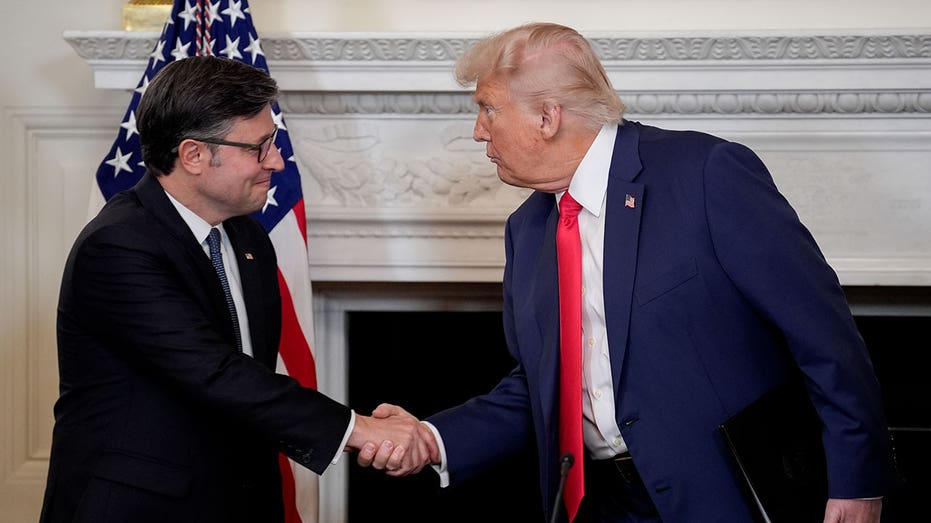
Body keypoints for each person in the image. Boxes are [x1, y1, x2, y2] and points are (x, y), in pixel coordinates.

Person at [361, 22, 896, 523]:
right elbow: (540, 388)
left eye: (488, 109)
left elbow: (824, 338)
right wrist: (431, 438)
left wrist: (858, 482)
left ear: (547, 117)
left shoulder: (706, 174)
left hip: (733, 499)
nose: (479, 132)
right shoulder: (527, 230)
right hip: (602, 504)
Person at [39, 56, 436, 523]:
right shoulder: (118, 245)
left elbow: (249, 380)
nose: (277, 161)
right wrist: (359, 430)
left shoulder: (247, 237)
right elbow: (216, 372)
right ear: (193, 155)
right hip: (140, 508)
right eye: (259, 147)